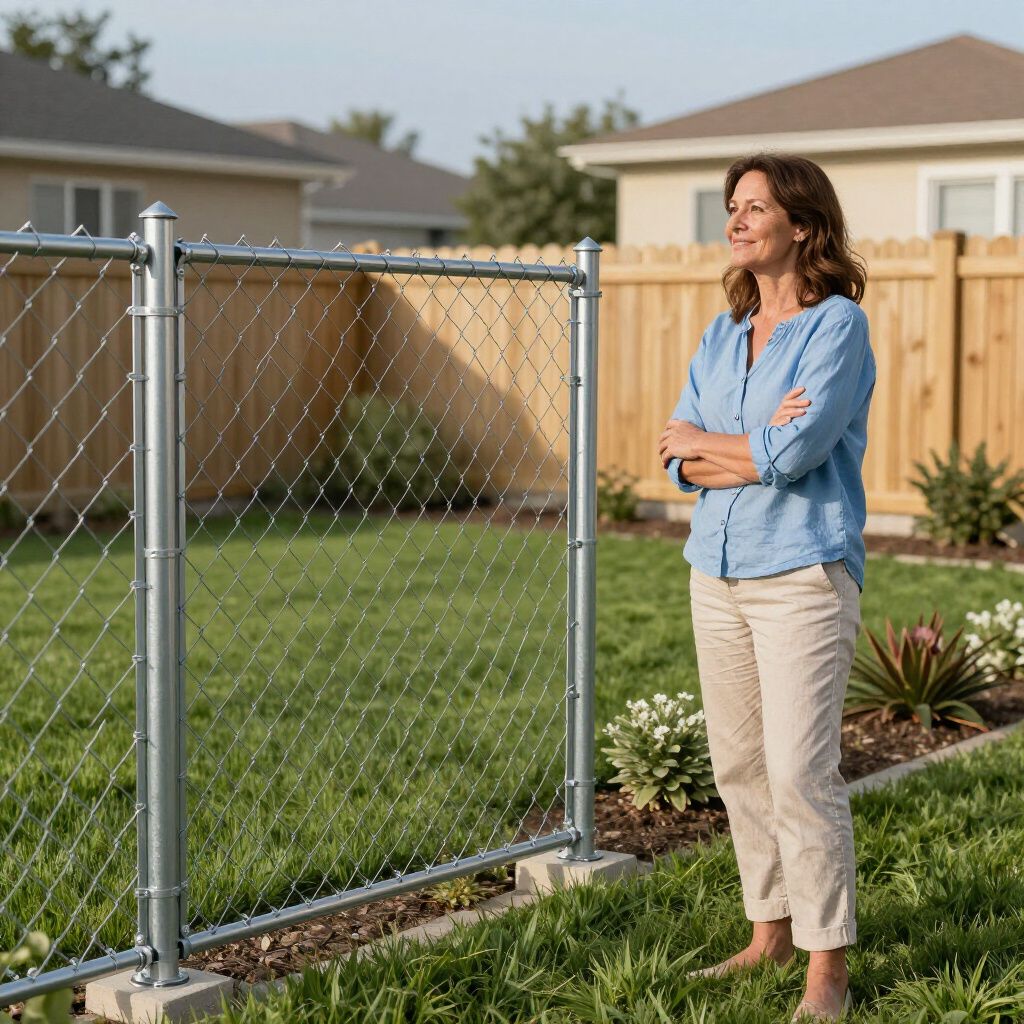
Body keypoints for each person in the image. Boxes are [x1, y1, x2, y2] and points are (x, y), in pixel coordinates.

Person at [657, 152, 875, 1023]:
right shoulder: (721, 334)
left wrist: (728, 445)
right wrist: (734, 444)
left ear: (803, 224)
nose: (738, 220)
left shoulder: (836, 330)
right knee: (740, 765)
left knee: (798, 772)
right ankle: (768, 932)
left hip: (802, 577)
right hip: (715, 573)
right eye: (732, 207)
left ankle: (828, 970)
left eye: (756, 207)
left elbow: (797, 454)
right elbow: (676, 454)